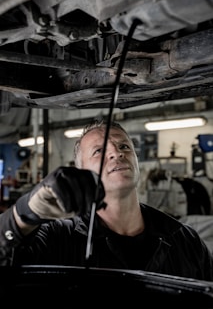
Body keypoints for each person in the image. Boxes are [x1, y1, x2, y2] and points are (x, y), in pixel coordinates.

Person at [0, 119, 213, 283]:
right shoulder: (58, 238)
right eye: (99, 151)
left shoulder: (185, 241)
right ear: (81, 170)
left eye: (124, 147)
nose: (116, 153)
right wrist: (25, 211)